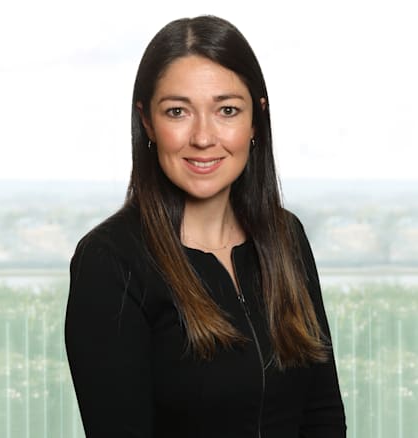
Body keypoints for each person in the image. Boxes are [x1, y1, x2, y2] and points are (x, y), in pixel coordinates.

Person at [65, 15, 346, 438]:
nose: (202, 137)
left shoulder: (286, 237)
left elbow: (323, 415)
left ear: (256, 120)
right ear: (147, 122)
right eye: (177, 111)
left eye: (227, 110)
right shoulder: (109, 263)